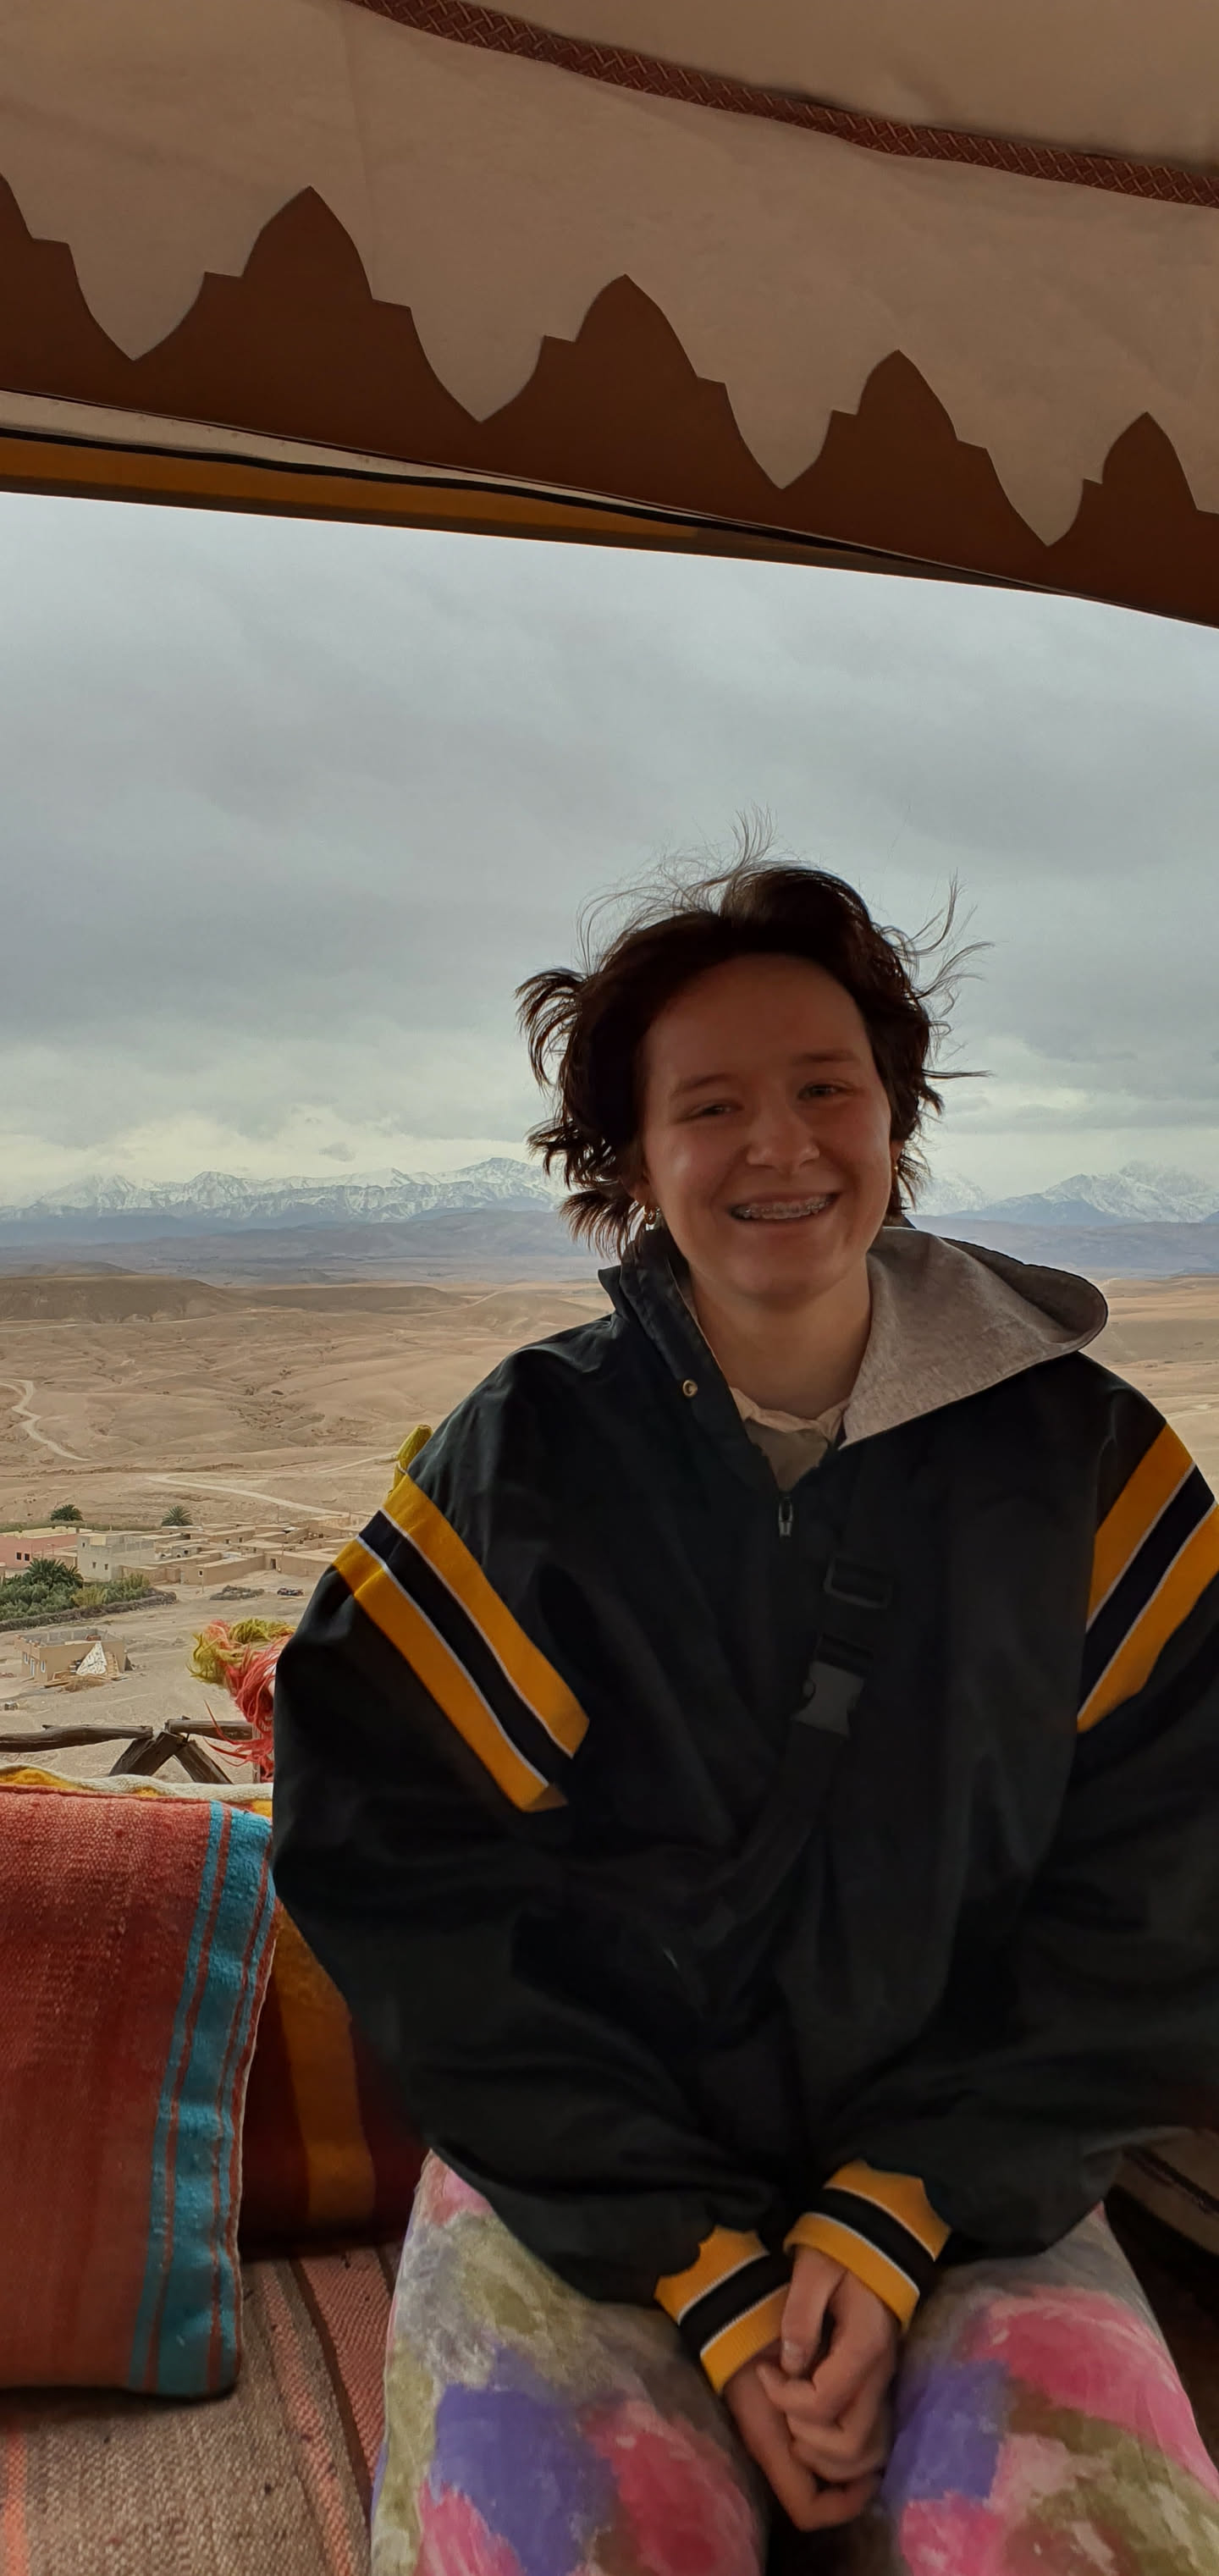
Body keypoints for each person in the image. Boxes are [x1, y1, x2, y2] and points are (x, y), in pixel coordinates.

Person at [273, 858, 1219, 2573]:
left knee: (1092, 2538)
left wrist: (905, 2202)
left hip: (974, 2172)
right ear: (634, 1163)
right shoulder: (528, 1474)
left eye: (825, 1088)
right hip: (584, 2186)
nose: (780, 1144)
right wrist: (696, 2262)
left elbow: (1167, 1888)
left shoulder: (1085, 1472)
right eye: (710, 1106)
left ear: (894, 1117)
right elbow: (412, 1898)